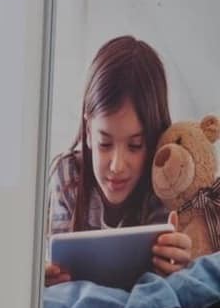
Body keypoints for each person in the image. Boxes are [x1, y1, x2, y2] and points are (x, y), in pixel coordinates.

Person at [45, 36, 193, 287]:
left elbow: (164, 283)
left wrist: (179, 264)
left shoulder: (164, 186)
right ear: (88, 130)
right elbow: (56, 275)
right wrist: (47, 277)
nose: (117, 166)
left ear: (153, 139)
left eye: (135, 146)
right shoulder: (67, 176)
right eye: (105, 144)